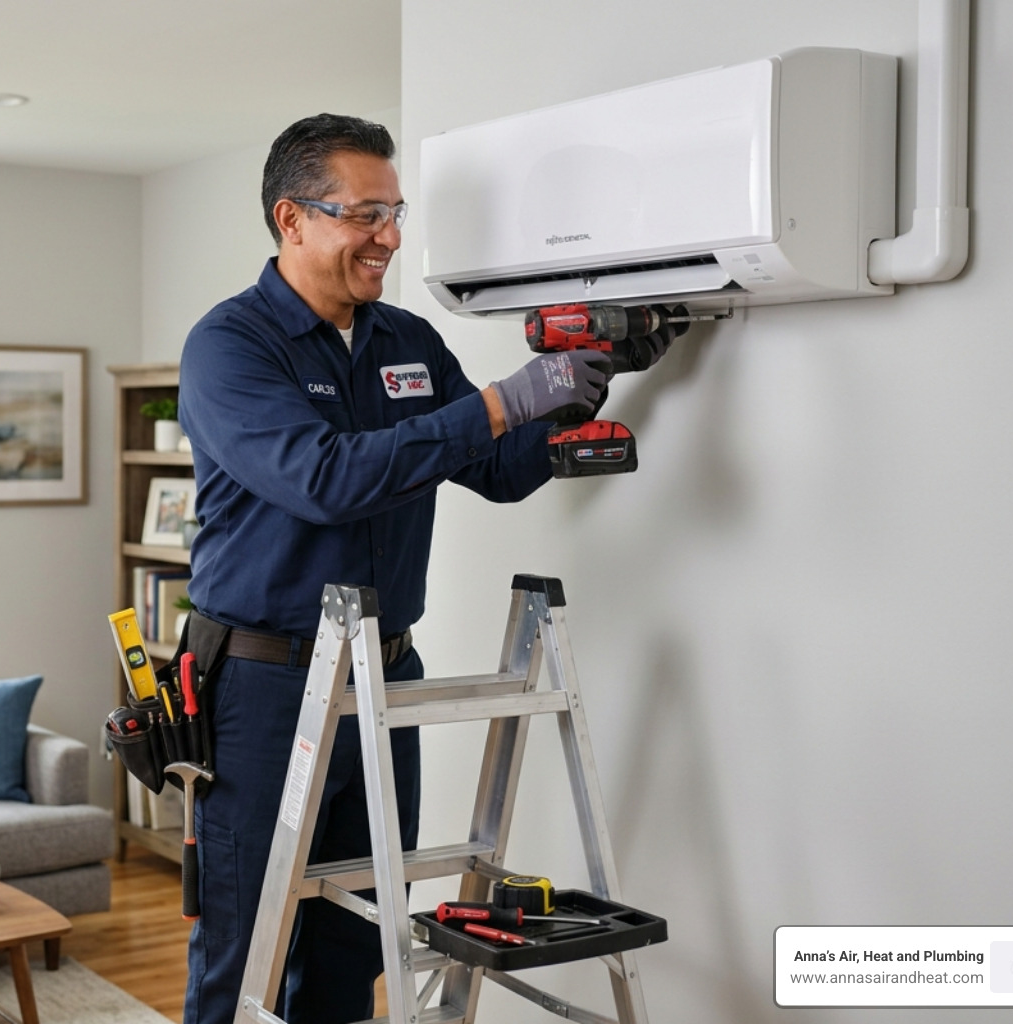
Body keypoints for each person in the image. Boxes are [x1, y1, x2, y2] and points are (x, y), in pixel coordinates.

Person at [176, 113, 657, 1024]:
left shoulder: (403, 340)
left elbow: (495, 471)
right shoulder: (230, 348)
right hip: (264, 686)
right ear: (293, 218)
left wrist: (583, 384)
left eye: (395, 213)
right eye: (366, 214)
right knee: (245, 948)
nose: (390, 238)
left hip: (384, 674)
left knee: (358, 940)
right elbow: (322, 480)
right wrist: (502, 400)